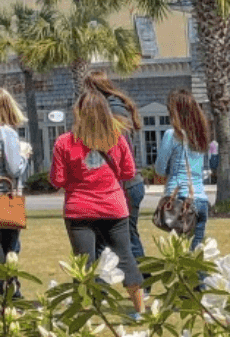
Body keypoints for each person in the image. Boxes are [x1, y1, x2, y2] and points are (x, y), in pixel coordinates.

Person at [51, 91, 144, 315]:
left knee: (84, 264)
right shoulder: (117, 138)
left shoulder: (65, 142)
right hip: (113, 207)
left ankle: (86, 311)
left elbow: (58, 179)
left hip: (79, 209)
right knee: (126, 258)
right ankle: (140, 309)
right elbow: (128, 171)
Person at [83, 71, 147, 272]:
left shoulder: (113, 111)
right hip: (130, 183)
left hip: (125, 185)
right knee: (124, 236)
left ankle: (141, 282)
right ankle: (139, 282)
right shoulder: (119, 106)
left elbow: (117, 153)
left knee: (123, 237)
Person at [154, 89, 211, 251]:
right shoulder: (199, 136)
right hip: (200, 198)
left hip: (181, 199)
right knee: (197, 254)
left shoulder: (172, 134)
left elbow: (159, 168)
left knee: (183, 255)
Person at [0, 89, 28, 300]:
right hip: (5, 198)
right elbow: (14, 169)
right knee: (10, 248)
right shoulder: (6, 133)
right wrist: (24, 155)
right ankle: (11, 290)